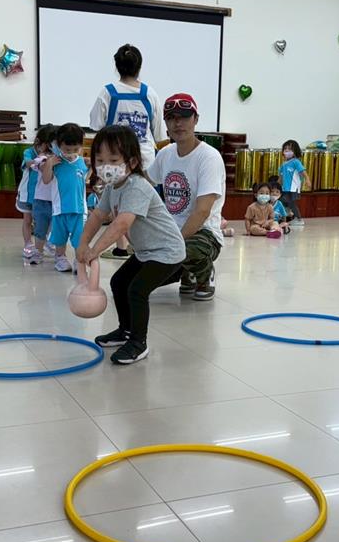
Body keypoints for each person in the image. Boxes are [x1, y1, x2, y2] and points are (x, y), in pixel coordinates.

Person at [78, 126, 185, 365]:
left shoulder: (137, 186)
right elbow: (97, 216)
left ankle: (138, 343)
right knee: (119, 282)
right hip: (147, 251)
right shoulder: (112, 187)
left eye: (113, 160)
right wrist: (82, 243)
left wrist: (95, 250)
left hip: (167, 252)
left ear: (133, 162)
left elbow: (122, 224)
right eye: (100, 160)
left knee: (137, 290)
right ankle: (125, 331)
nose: (106, 166)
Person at [148, 93, 224, 301]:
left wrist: (173, 244)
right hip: (170, 230)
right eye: (171, 118)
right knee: (135, 274)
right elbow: (145, 181)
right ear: (165, 123)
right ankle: (186, 272)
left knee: (187, 251)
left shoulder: (209, 157)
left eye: (184, 117)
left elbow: (202, 211)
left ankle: (203, 274)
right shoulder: (165, 154)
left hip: (204, 234)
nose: (178, 123)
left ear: (196, 119)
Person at [89, 44, 163, 259]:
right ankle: (143, 247)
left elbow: (96, 125)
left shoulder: (107, 92)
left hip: (116, 161)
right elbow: (159, 133)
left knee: (118, 203)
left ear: (116, 66)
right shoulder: (150, 93)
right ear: (139, 67)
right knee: (143, 205)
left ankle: (121, 247)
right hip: (146, 159)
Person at [41, 122, 89, 272]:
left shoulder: (82, 162)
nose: (71, 152)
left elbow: (85, 179)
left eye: (76, 149)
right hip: (59, 209)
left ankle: (78, 260)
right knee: (60, 237)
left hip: (79, 209)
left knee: (79, 238)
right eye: (67, 149)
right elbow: (46, 180)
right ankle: (60, 258)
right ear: (58, 144)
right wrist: (49, 164)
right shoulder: (55, 162)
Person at [18, 124, 56, 263]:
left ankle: (45, 242)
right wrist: (39, 160)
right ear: (39, 142)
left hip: (43, 196)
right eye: (48, 145)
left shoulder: (53, 154)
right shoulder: (29, 151)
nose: (50, 148)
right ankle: (28, 244)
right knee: (28, 220)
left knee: (45, 221)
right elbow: (28, 163)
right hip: (27, 193)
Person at [279, 139, 309, 226]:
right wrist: (277, 185)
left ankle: (299, 219)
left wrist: (307, 179)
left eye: (290, 149)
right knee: (282, 200)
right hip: (285, 188)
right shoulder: (283, 164)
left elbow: (303, 171)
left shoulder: (296, 162)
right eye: (285, 149)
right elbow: (281, 177)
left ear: (295, 151)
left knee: (291, 203)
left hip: (293, 187)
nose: (287, 151)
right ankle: (288, 213)